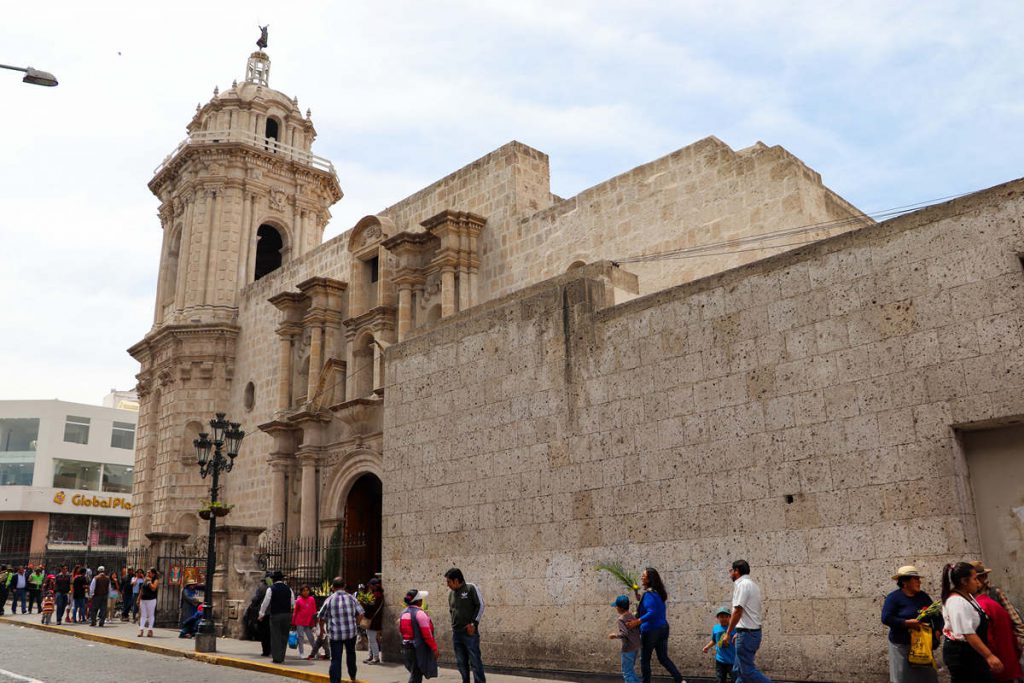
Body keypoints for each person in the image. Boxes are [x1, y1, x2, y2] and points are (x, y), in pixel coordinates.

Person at [941, 561, 1004, 682]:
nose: (978, 583)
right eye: (975, 579)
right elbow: (968, 633)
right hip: (962, 655)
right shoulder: (956, 602)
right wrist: (989, 656)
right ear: (964, 581)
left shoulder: (968, 597)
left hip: (973, 653)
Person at [881, 565, 941, 683]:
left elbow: (937, 615)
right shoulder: (893, 598)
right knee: (904, 678)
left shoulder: (923, 596)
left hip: (923, 646)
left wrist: (938, 630)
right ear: (905, 582)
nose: (919, 582)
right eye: (916, 579)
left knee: (927, 677)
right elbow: (886, 618)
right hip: (902, 646)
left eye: (919, 579)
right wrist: (906, 623)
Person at [625, 568, 683, 683]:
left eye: (643, 576)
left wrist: (637, 622)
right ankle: (679, 680)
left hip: (651, 630)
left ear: (649, 579)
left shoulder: (649, 594)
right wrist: (640, 599)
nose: (641, 577)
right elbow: (652, 607)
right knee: (663, 658)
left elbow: (652, 612)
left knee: (645, 659)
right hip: (663, 628)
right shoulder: (657, 592)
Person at [972, 562, 1022, 682]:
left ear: (983, 578)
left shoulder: (995, 593)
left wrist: (1020, 641)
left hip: (1001, 645)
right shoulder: (969, 596)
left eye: (978, 578)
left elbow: (1015, 620)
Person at [723, 559, 772, 683]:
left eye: (731, 570)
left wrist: (728, 633)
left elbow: (738, 611)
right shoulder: (752, 585)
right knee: (738, 670)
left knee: (747, 671)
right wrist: (738, 632)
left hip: (747, 634)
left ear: (736, 571)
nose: (730, 573)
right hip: (748, 633)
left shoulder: (743, 585)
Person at [318, 575, 364, 683]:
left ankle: (335, 681)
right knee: (351, 654)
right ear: (344, 586)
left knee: (336, 659)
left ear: (333, 587)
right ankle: (352, 677)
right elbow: (361, 613)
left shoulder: (329, 600)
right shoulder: (352, 598)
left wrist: (322, 630)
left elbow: (321, 617)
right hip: (351, 633)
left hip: (335, 634)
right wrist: (356, 623)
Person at [445, 568, 487, 683]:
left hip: (470, 634)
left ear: (456, 580)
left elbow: (481, 605)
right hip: (456, 634)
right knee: (461, 663)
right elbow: (452, 610)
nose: (447, 585)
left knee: (475, 662)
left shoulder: (470, 588)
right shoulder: (451, 594)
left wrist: (474, 624)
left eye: (449, 582)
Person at [401, 588, 439, 683]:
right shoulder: (420, 614)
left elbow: (402, 630)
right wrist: (434, 648)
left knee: (415, 673)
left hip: (406, 648)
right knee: (416, 676)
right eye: (421, 599)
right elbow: (427, 634)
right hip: (417, 649)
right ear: (418, 601)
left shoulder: (403, 613)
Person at [259, 570, 295, 664]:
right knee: (284, 636)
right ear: (282, 579)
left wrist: (261, 614)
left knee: (275, 636)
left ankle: (277, 657)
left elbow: (265, 603)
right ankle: (282, 656)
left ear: (273, 579)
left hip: (275, 614)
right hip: (287, 615)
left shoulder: (271, 589)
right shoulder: (289, 589)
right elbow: (293, 603)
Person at [608, 594, 641, 683]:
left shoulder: (621, 619)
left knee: (627, 673)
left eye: (616, 606)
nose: (616, 608)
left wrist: (614, 635)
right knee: (631, 671)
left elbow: (624, 633)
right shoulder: (632, 616)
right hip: (636, 647)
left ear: (620, 608)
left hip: (628, 649)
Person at [703, 607, 736, 683]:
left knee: (736, 680)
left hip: (732, 661)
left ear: (730, 617)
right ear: (717, 617)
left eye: (726, 616)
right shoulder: (716, 628)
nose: (723, 619)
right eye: (721, 617)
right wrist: (707, 647)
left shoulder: (733, 628)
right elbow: (714, 640)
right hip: (720, 660)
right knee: (719, 680)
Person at [363, 578, 385, 664]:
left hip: (373, 620)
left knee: (372, 639)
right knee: (370, 638)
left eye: (370, 585)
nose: (369, 587)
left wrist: (365, 604)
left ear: (374, 586)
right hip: (373, 620)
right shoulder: (376, 595)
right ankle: (370, 656)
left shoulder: (377, 596)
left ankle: (375, 658)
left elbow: (372, 608)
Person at [293, 585, 318, 658]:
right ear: (301, 592)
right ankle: (301, 653)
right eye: (304, 590)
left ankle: (315, 652)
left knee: (311, 638)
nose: (306, 592)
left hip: (309, 622)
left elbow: (314, 611)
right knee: (300, 637)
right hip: (299, 621)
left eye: (307, 590)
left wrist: (314, 623)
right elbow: (295, 612)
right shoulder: (298, 600)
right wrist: (293, 622)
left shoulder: (312, 599)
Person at [137, 567, 159, 637]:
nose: (147, 573)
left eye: (149, 572)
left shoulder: (155, 580)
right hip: (143, 599)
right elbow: (142, 590)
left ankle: (150, 630)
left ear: (153, 573)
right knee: (143, 615)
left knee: (150, 615)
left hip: (151, 599)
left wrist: (149, 582)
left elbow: (153, 588)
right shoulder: (145, 579)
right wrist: (138, 598)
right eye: (147, 572)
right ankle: (141, 630)